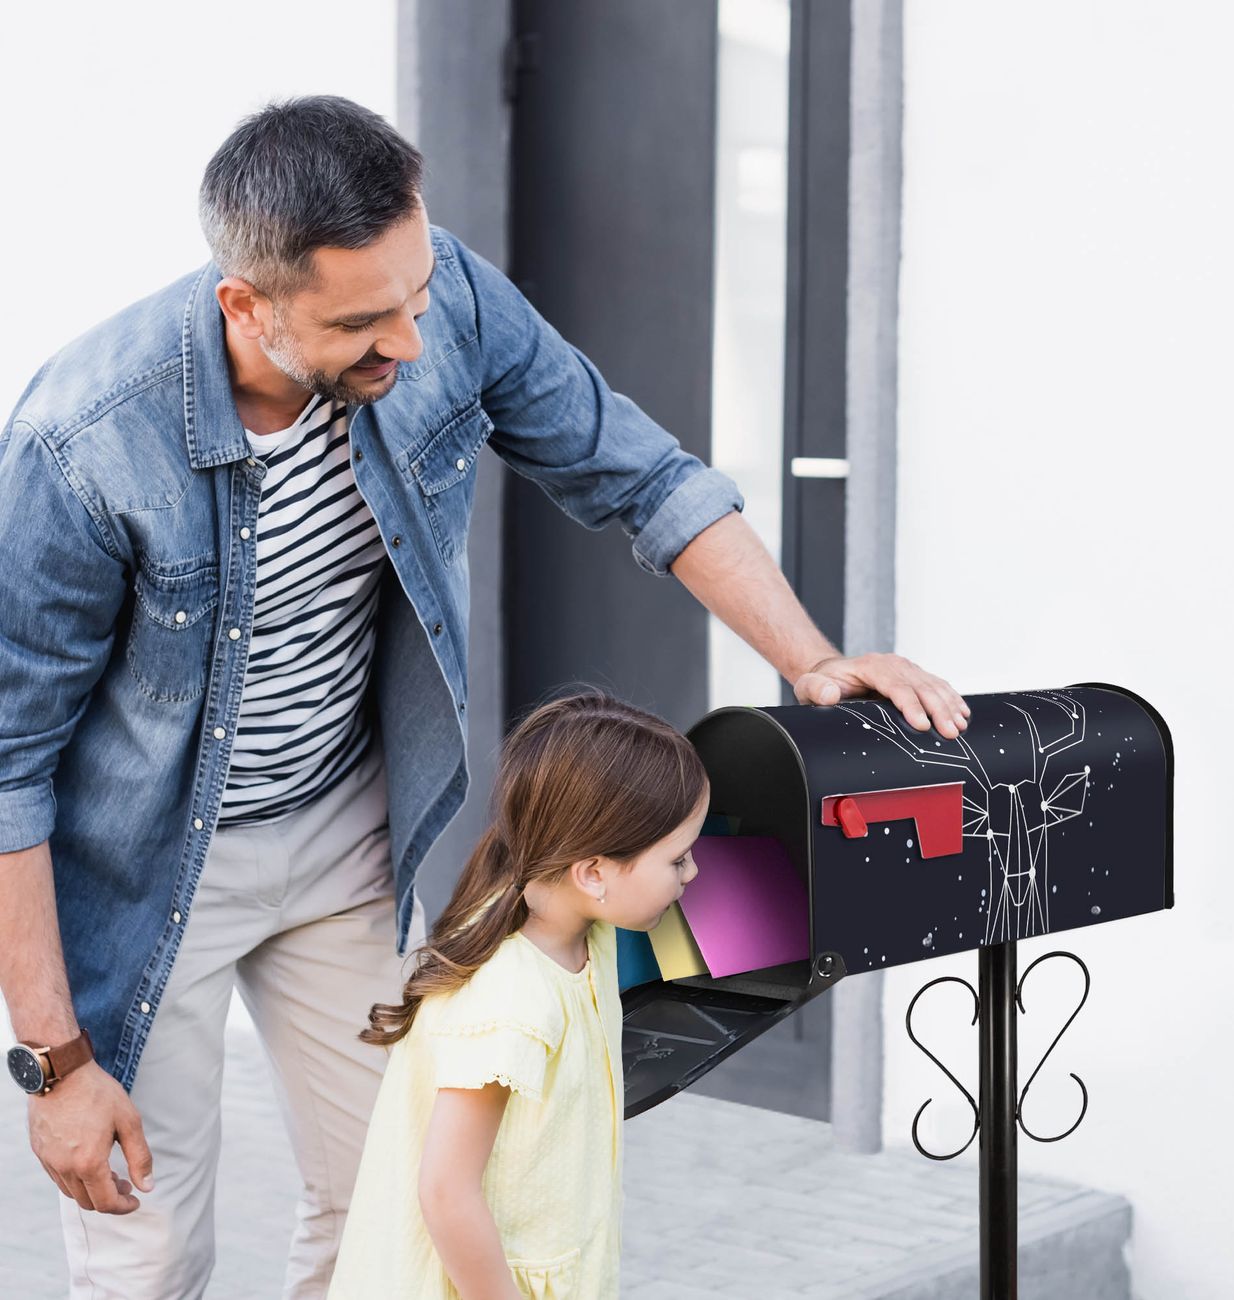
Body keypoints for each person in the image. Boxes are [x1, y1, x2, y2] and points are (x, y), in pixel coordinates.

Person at [0, 95, 968, 1298]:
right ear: (244, 305)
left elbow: (641, 474)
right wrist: (54, 1063)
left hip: (345, 834)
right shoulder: (83, 441)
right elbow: (8, 766)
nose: (408, 342)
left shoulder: (443, 295)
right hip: (148, 874)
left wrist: (811, 660)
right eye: (361, 322)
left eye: (412, 294)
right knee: (147, 1255)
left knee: (388, 1215)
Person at [328, 690, 707, 1299]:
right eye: (679, 859)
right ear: (593, 873)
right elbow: (446, 1192)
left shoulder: (582, 926)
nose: (693, 874)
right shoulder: (512, 1002)